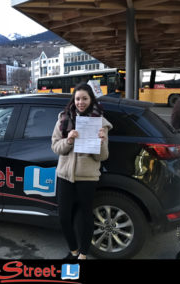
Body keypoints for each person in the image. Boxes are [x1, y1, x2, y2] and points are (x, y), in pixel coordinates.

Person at [51, 83, 112, 260]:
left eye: (84, 98)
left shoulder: (99, 122)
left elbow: (103, 157)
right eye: (77, 98)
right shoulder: (63, 119)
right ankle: (73, 250)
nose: (80, 102)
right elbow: (55, 147)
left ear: (91, 99)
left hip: (87, 177)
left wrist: (101, 142)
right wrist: (69, 141)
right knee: (64, 217)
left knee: (86, 217)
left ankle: (83, 254)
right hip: (65, 175)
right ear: (74, 100)